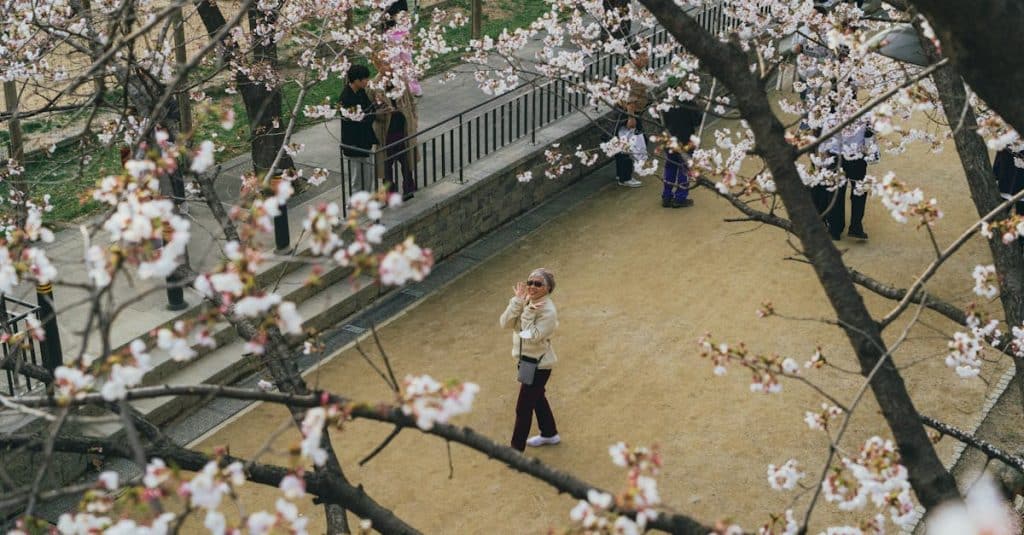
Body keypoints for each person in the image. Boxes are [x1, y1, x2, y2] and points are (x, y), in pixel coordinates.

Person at [499, 268, 560, 452]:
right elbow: (505, 323)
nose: (532, 286)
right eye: (530, 282)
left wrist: (528, 313)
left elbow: (530, 336)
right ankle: (549, 433)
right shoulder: (526, 301)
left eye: (538, 284)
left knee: (523, 408)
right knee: (537, 398)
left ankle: (515, 451)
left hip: (539, 365)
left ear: (548, 288)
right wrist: (517, 301)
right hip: (526, 362)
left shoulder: (548, 311)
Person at [817, 116, 873, 241]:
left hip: (838, 157)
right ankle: (854, 227)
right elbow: (871, 133)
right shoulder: (864, 114)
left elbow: (824, 138)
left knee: (837, 193)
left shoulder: (832, 115)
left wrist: (822, 159)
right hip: (854, 156)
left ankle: (836, 229)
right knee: (857, 192)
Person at [371, 68, 419, 201]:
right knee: (386, 165)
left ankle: (408, 188)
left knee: (406, 161)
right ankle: (389, 193)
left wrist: (414, 118)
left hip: (403, 128)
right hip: (386, 131)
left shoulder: (401, 80)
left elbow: (411, 101)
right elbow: (370, 105)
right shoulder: (376, 85)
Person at [340, 64, 379, 193]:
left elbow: (370, 111)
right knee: (357, 178)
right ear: (356, 80)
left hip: (365, 139)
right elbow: (358, 120)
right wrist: (367, 116)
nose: (367, 81)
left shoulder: (361, 91)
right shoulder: (346, 98)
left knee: (367, 175)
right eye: (365, 79)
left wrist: (369, 115)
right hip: (354, 143)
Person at [660, 100, 703, 208]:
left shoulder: (665, 100)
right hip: (685, 139)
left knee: (670, 167)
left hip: (669, 138)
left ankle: (666, 196)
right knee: (685, 168)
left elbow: (660, 119)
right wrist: (700, 108)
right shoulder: (688, 101)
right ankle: (680, 198)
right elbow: (696, 121)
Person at [993, 148, 1024, 216]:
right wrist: (995, 175)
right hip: (1007, 183)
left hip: (1017, 185)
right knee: (999, 215)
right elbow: (1000, 155)